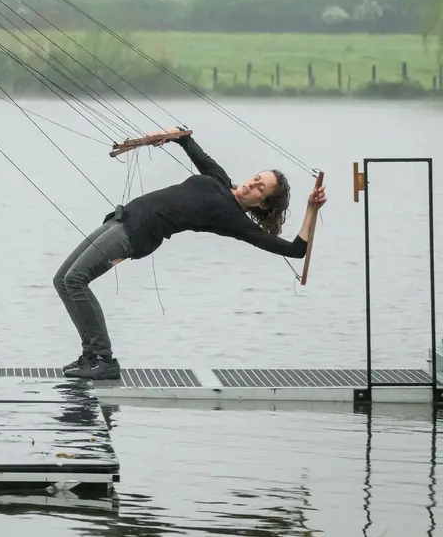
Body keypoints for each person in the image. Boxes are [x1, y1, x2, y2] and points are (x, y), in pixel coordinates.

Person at [54, 128, 327, 380]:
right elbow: (188, 141)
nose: (252, 185)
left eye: (260, 189)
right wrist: (167, 136)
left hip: (135, 235)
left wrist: (311, 209)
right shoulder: (219, 179)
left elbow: (296, 250)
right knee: (62, 280)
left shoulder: (235, 220)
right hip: (120, 218)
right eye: (256, 179)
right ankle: (90, 356)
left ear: (263, 204)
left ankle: (103, 358)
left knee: (77, 279)